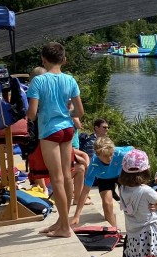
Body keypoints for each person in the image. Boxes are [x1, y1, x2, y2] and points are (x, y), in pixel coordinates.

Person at [26, 42, 84, 238]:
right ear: (64, 60)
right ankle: (62, 222)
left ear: (43, 60)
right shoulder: (70, 80)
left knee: (57, 179)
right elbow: (80, 111)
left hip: (50, 131)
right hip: (68, 129)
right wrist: (67, 112)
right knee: (67, 176)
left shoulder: (38, 81)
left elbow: (32, 114)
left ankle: (65, 228)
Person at [74, 137, 131, 228]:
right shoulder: (94, 164)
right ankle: (113, 230)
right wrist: (77, 216)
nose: (109, 158)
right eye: (105, 156)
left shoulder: (120, 153)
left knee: (130, 200)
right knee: (107, 203)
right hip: (104, 178)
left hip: (120, 175)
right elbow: (85, 191)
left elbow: (135, 150)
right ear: (97, 154)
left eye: (111, 155)